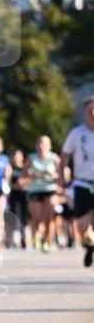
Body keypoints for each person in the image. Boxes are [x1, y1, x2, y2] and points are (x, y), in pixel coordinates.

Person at [58, 96, 94, 268]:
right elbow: (65, 156)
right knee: (82, 229)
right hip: (82, 184)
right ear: (85, 112)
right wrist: (61, 178)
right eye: (90, 110)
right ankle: (91, 245)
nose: (93, 113)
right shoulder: (77, 133)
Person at [24, 134, 59, 253]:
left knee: (49, 217)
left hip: (50, 189)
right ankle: (37, 237)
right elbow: (24, 173)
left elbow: (62, 173)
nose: (41, 146)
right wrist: (31, 174)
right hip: (35, 190)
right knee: (37, 218)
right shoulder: (31, 158)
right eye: (39, 143)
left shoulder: (54, 158)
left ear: (49, 146)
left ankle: (48, 241)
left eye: (43, 143)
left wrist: (55, 175)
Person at [8, 148, 29, 248]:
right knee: (14, 215)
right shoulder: (10, 168)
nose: (16, 158)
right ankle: (14, 240)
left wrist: (23, 182)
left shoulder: (25, 168)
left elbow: (29, 180)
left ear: (22, 157)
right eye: (14, 156)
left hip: (24, 194)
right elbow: (8, 181)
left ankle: (24, 239)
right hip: (13, 194)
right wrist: (15, 185)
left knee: (24, 217)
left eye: (18, 156)